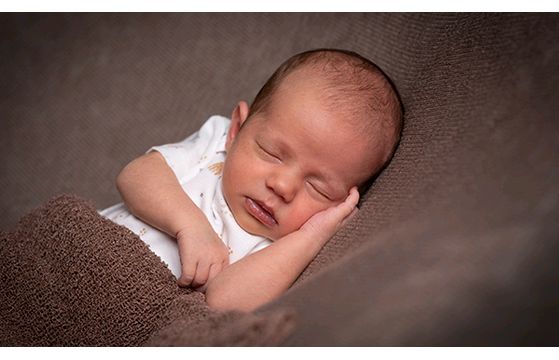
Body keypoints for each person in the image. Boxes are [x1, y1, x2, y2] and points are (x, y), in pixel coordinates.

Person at [100, 48, 403, 312]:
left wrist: (311, 236)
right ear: (237, 130)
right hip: (88, 252)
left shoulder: (279, 249)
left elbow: (223, 303)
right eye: (271, 152)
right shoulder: (216, 145)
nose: (282, 186)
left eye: (318, 188)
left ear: (343, 204)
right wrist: (190, 226)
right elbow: (135, 175)